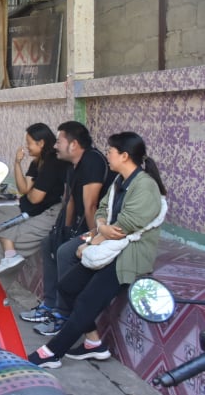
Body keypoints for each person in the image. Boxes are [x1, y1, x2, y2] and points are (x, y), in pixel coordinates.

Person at [28, 132, 166, 368]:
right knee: (67, 287)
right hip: (109, 248)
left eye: (110, 151)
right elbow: (103, 211)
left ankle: (51, 352)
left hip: (128, 256)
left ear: (124, 156)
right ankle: (94, 343)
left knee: (87, 300)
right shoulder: (120, 180)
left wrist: (92, 241)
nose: (107, 155)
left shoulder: (145, 186)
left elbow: (124, 227)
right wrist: (102, 228)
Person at [20, 121, 111, 336]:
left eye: (59, 141)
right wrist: (65, 231)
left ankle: (62, 314)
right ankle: (50, 304)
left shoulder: (92, 161)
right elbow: (69, 201)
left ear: (74, 144)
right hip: (82, 225)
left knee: (65, 252)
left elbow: (91, 206)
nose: (55, 146)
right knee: (50, 243)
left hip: (101, 229)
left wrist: (93, 241)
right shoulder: (72, 165)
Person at [0, 123, 70, 275]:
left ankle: (8, 259)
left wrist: (30, 193)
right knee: (0, 213)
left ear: (41, 143)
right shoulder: (37, 162)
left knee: (14, 241)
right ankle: (10, 254)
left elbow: (35, 199)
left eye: (29, 143)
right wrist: (17, 163)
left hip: (47, 212)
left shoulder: (52, 162)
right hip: (29, 208)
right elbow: (24, 189)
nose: (27, 147)